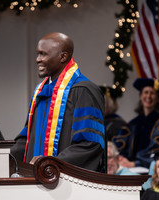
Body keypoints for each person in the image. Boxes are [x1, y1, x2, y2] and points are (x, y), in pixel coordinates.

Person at [10, 32, 106, 172]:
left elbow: (90, 143)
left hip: (66, 184)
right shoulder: (41, 92)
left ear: (63, 57)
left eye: (43, 54)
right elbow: (27, 139)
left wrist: (50, 163)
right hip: (35, 180)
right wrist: (0, 156)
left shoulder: (83, 91)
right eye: (38, 54)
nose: (38, 59)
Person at [113, 78, 159, 169]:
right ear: (140, 96)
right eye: (146, 92)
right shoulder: (132, 124)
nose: (148, 96)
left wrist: (135, 164)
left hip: (153, 171)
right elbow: (120, 149)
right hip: (127, 169)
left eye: (152, 93)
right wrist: (122, 160)